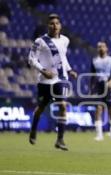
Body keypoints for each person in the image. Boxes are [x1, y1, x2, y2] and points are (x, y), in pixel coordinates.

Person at [28, 13, 77, 151]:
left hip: (60, 79)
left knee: (62, 105)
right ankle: (33, 129)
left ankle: (60, 139)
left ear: (60, 26)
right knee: (41, 108)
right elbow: (31, 59)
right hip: (44, 81)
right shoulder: (40, 41)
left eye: (57, 23)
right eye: (51, 23)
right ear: (47, 26)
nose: (54, 26)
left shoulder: (65, 40)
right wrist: (43, 70)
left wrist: (70, 69)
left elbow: (62, 58)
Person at [90, 41, 111, 141]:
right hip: (99, 87)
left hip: (109, 87)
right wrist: (91, 88)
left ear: (106, 48)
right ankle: (99, 134)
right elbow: (92, 76)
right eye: (99, 47)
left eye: (102, 46)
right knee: (98, 109)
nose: (101, 48)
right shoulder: (94, 60)